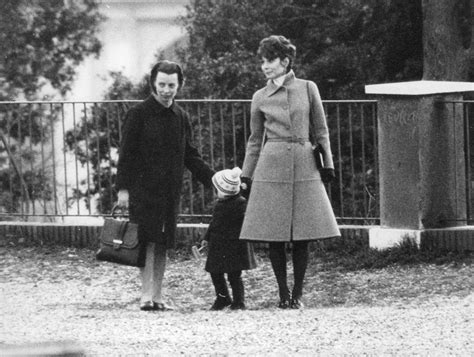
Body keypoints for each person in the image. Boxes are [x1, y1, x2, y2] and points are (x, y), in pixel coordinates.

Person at [239, 35, 340, 309]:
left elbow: (320, 130)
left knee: (302, 234)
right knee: (275, 234)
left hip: (304, 162)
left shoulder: (308, 88)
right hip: (271, 166)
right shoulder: (259, 97)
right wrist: (246, 176)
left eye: (269, 60)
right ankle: (282, 292)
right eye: (262, 61)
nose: (264, 66)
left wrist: (327, 163)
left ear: (285, 61)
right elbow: (254, 139)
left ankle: (298, 294)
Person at [116, 60, 215, 311]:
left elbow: (190, 155)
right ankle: (145, 295)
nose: (166, 90)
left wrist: (212, 178)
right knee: (146, 240)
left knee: (163, 242)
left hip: (170, 191)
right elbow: (126, 155)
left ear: (179, 85)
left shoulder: (181, 117)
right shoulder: (137, 114)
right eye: (161, 84)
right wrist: (123, 190)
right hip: (142, 190)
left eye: (171, 85)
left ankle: (158, 296)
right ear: (153, 84)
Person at [201, 167, 257, 310]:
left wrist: (207, 238)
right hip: (227, 245)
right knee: (225, 274)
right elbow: (215, 223)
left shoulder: (233, 204)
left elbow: (215, 223)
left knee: (226, 274)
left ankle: (231, 299)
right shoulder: (234, 203)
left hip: (227, 245)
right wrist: (207, 238)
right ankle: (230, 299)